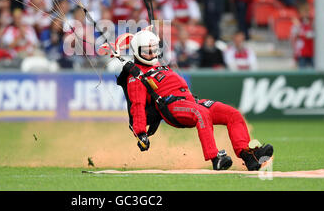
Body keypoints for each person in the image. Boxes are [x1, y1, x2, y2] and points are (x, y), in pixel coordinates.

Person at [116, 29, 273, 171]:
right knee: (201, 113)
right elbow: (137, 105)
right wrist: (141, 132)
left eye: (154, 49)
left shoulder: (158, 65)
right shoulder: (136, 77)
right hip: (172, 106)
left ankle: (248, 155)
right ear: (136, 52)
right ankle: (215, 158)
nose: (151, 54)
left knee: (232, 114)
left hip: (191, 101)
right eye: (146, 51)